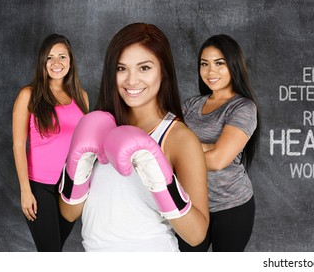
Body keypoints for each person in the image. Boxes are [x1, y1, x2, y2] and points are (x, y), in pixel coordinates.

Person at [58, 23, 209, 251]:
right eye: (121, 68)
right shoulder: (96, 128)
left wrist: (157, 176)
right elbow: (69, 213)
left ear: (163, 71)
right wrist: (81, 162)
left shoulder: (179, 138)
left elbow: (197, 235)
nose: (131, 80)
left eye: (144, 68)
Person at [179, 34, 259, 252]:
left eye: (219, 63)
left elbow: (218, 160)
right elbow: (168, 144)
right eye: (204, 64)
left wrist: (183, 153)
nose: (210, 71)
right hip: (191, 206)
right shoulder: (190, 105)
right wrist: (209, 146)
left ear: (234, 65)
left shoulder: (242, 108)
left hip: (232, 206)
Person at [12, 34, 89, 251]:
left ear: (70, 61)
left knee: (56, 249)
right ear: (42, 62)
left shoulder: (81, 97)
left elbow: (83, 145)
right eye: (50, 58)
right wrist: (25, 191)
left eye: (62, 57)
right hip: (39, 187)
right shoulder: (29, 94)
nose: (57, 63)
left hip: (70, 187)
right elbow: (18, 145)